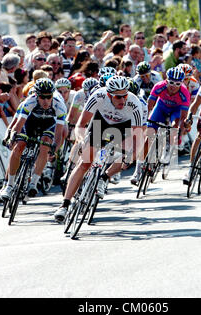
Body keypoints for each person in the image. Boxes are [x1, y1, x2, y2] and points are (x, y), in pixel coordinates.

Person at [53, 76, 144, 223]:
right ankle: (64, 204)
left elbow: (138, 136)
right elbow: (80, 125)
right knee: (84, 163)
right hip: (101, 123)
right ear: (109, 95)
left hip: (123, 127)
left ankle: (105, 177)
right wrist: (82, 141)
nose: (122, 100)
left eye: (124, 95)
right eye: (118, 97)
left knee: (127, 154)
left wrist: (131, 155)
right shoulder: (99, 96)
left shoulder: (134, 103)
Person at [0, 78, 67, 200]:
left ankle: (34, 182)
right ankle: (9, 185)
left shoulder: (59, 105)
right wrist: (12, 137)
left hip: (49, 124)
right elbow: (18, 124)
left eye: (48, 97)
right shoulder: (30, 101)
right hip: (31, 122)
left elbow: (59, 134)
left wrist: (54, 150)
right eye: (42, 97)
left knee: (45, 146)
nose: (45, 101)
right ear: (36, 95)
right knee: (19, 146)